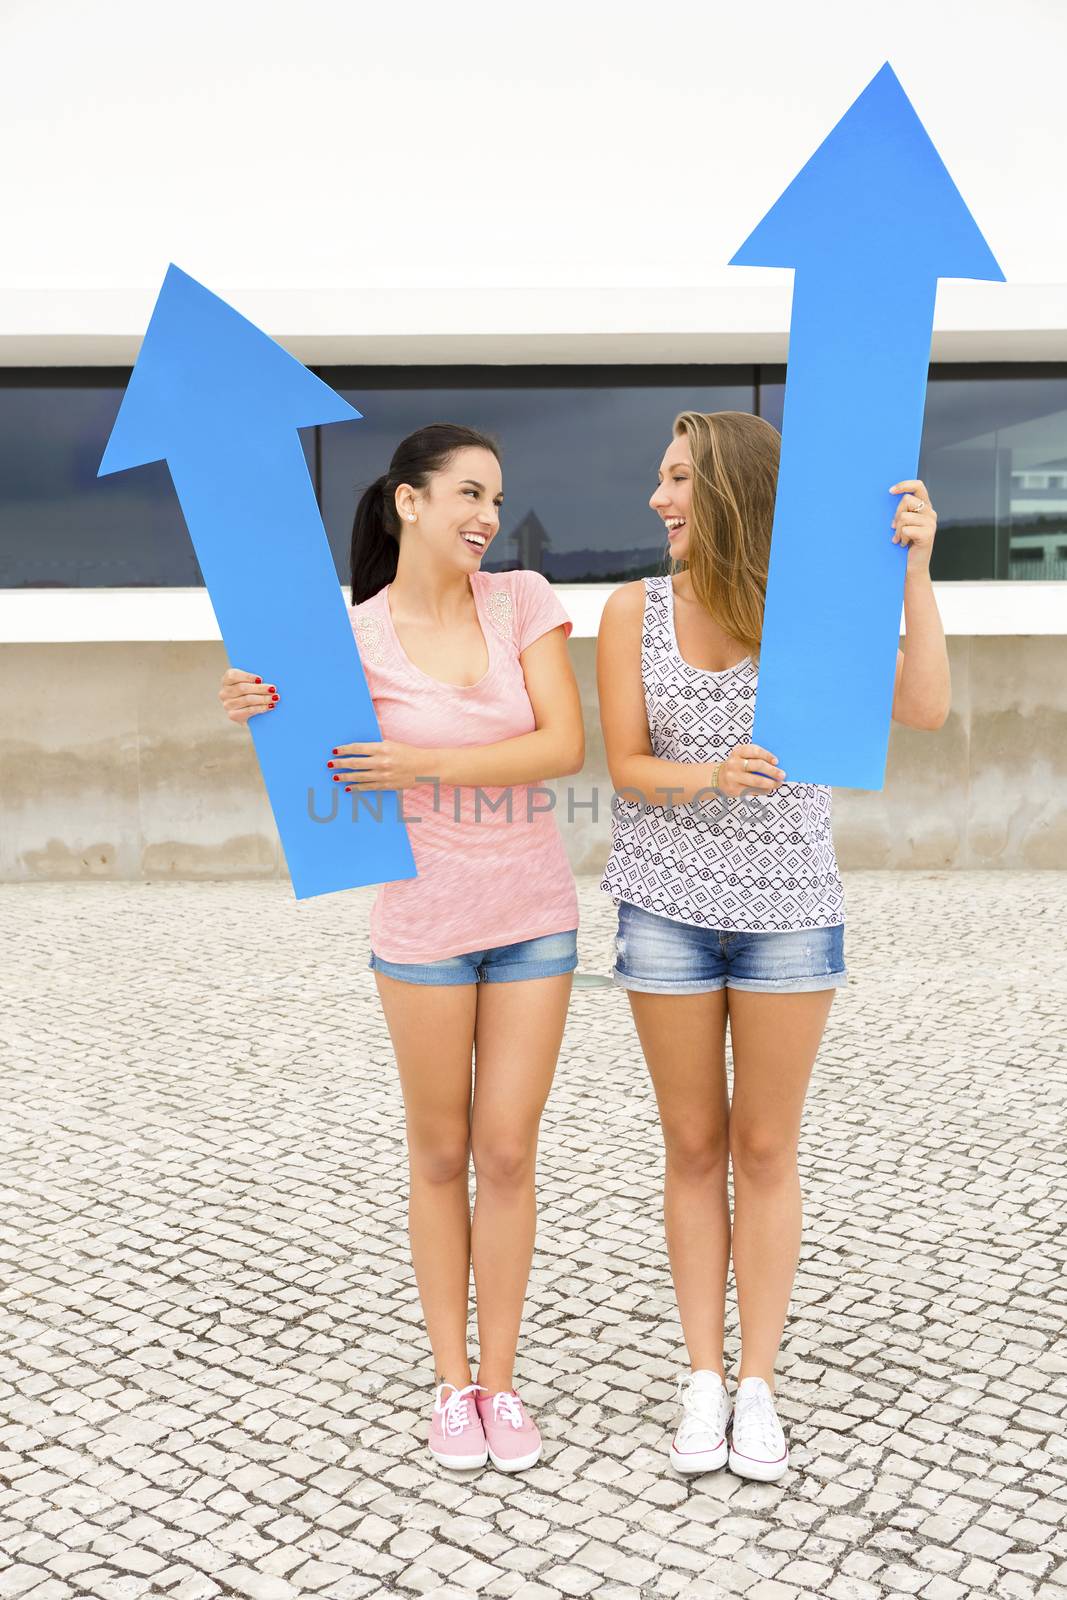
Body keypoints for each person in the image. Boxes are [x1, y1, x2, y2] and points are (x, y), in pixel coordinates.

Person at [219, 423, 584, 1473]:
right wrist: (255, 712)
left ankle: (504, 1383)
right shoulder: (348, 636)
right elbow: (311, 770)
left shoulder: (523, 601)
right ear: (406, 502)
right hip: (420, 929)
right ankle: (450, 1383)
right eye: (466, 492)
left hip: (532, 919)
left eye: (495, 498)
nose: (485, 515)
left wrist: (415, 762)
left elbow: (561, 746)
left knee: (507, 1150)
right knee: (438, 1152)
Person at [596, 410, 950, 1482]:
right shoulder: (629, 611)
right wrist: (706, 776)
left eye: (676, 481)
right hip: (662, 907)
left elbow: (925, 707)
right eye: (657, 479)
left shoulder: (813, 614)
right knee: (693, 1148)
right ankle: (699, 1377)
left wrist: (915, 574)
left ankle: (757, 1383)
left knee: (764, 1149)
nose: (657, 499)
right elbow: (623, 765)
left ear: (734, 492)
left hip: (790, 910)